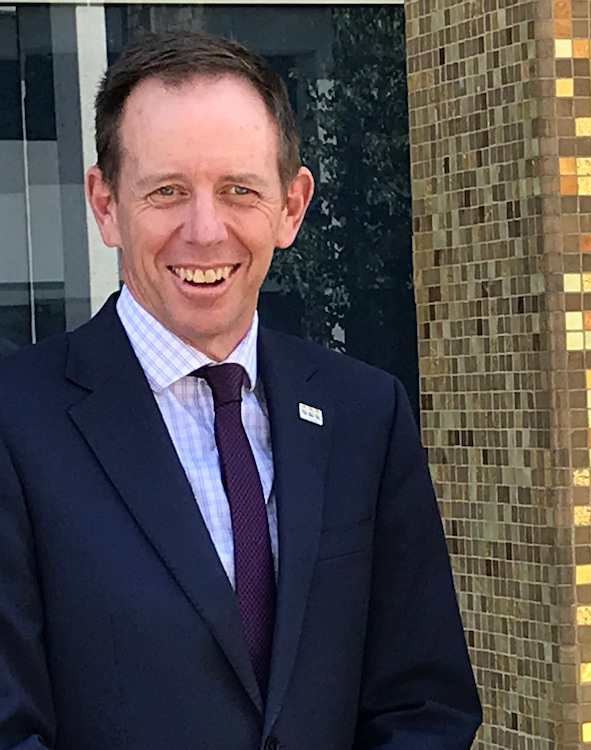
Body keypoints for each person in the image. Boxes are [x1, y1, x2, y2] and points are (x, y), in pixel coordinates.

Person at [0, 30, 481, 750]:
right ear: (105, 204)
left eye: (238, 190)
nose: (204, 229)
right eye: (167, 191)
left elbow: (423, 703)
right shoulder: (16, 422)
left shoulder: (364, 414)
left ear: (290, 206)